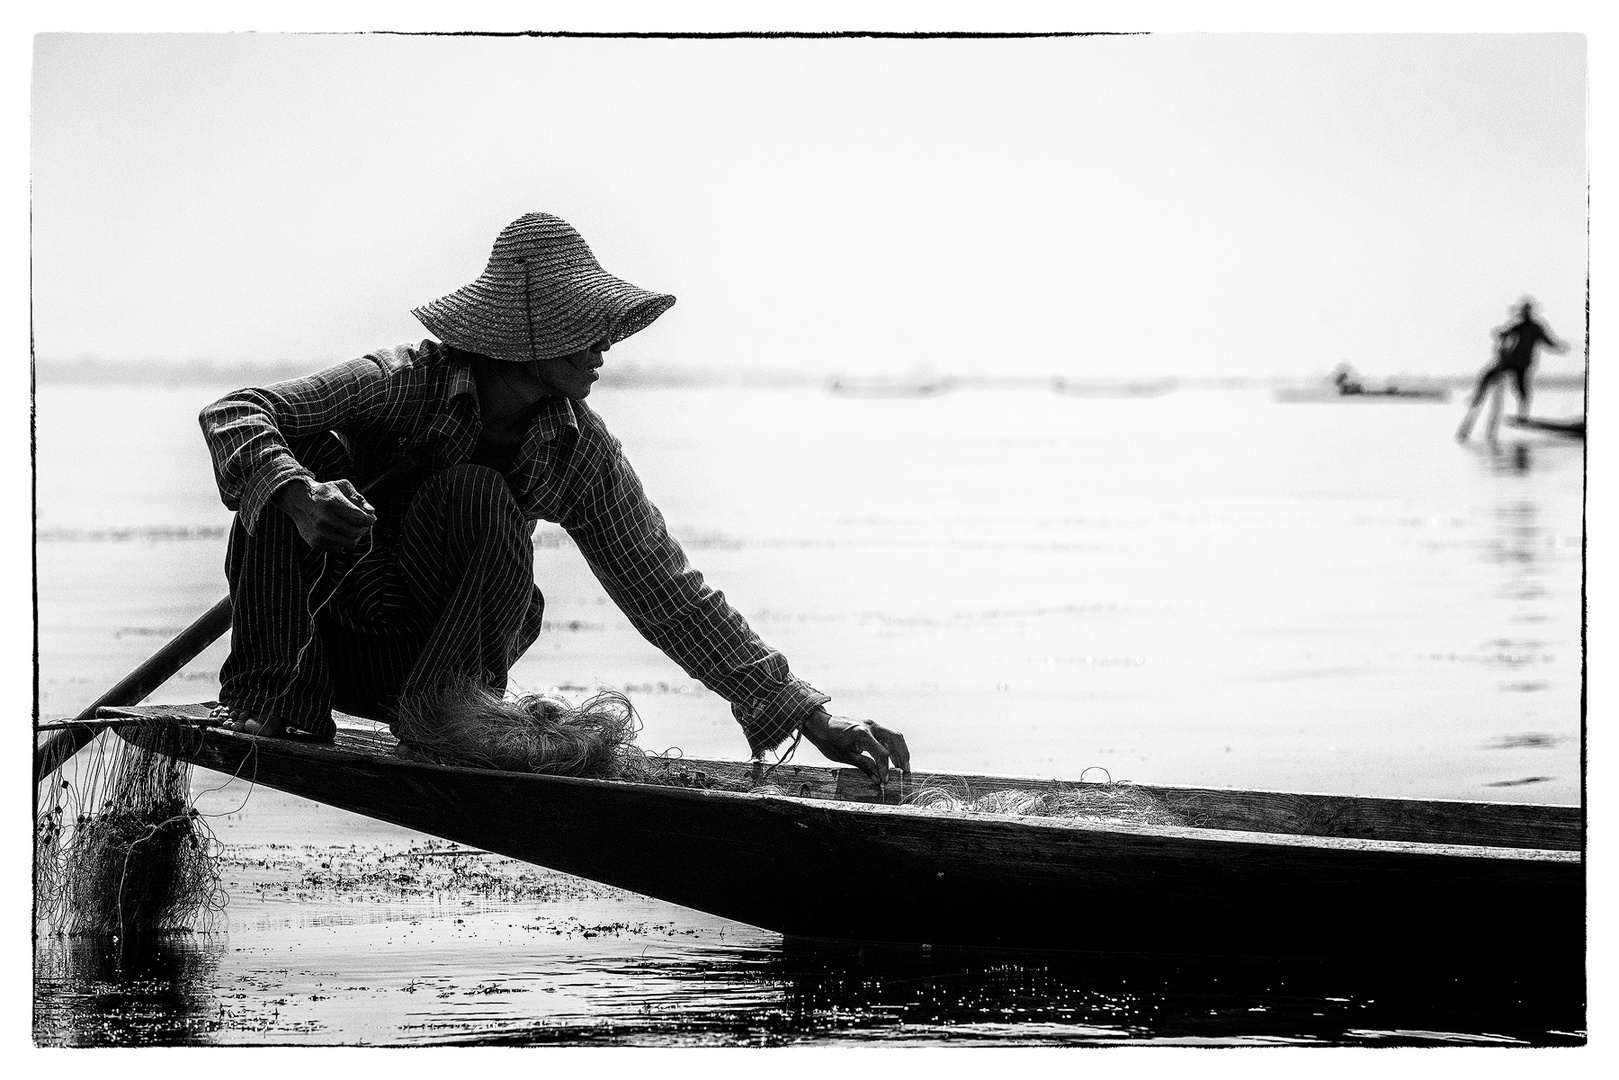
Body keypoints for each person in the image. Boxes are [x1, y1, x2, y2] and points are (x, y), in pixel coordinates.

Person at [199, 212, 910, 784]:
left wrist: (810, 716)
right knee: (307, 449)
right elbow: (237, 412)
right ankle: (270, 703)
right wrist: (298, 494)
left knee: (476, 496)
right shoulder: (405, 380)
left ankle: (452, 718)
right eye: (582, 325)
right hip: (318, 649)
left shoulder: (577, 453)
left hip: (428, 676)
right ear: (520, 334)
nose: (604, 344)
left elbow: (667, 591)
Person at [1456, 299, 1570, 441]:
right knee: (1487, 376)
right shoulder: (1518, 326)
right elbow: (1500, 334)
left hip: (1522, 365)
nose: (1525, 315)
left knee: (1522, 389)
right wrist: (1501, 334)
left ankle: (1522, 416)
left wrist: (1560, 347)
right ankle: (1477, 398)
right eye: (1524, 312)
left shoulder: (1536, 327)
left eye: (1527, 312)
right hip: (1508, 362)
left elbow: (1549, 342)